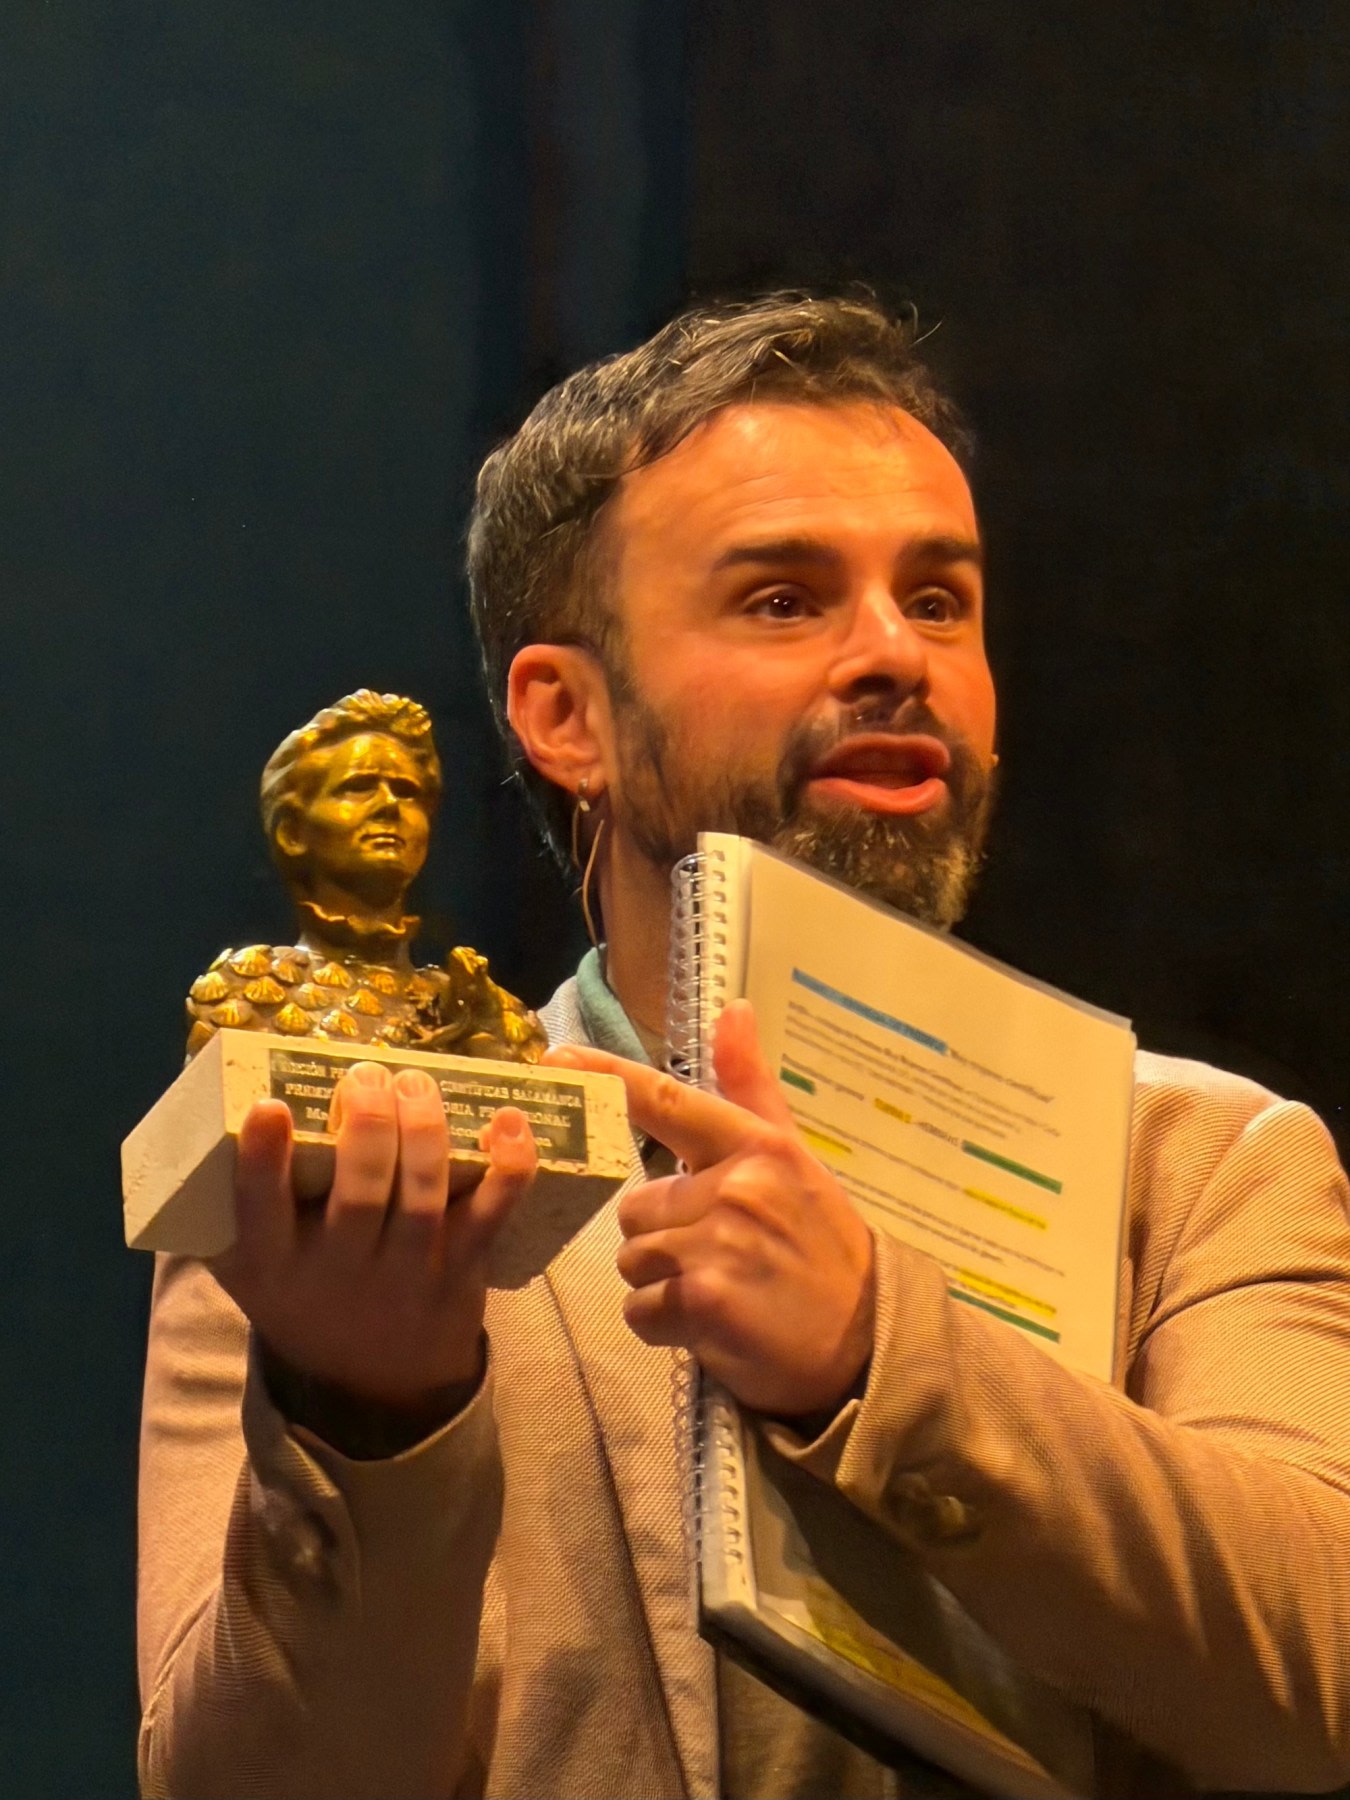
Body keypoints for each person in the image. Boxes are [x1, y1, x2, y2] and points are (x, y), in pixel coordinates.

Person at [137, 295, 1350, 1799]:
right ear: (564, 713)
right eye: (782, 600)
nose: (891, 655)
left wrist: (877, 1355)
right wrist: (373, 1424)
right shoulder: (354, 1178)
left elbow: (1321, 1689)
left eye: (939, 599)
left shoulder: (1204, 1164)